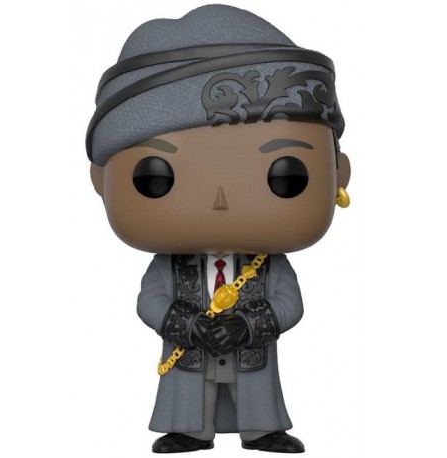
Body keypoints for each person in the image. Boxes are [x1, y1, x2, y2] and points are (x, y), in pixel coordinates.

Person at [86, 4, 350, 454]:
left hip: (250, 351)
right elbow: (149, 302)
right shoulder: (169, 266)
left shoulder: (269, 265)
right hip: (192, 351)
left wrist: (248, 325)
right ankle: (189, 430)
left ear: (338, 176)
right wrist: (188, 325)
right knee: (193, 396)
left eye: (285, 175)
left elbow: (291, 304)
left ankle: (262, 429)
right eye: (156, 177)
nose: (220, 200)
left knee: (255, 394)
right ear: (100, 182)